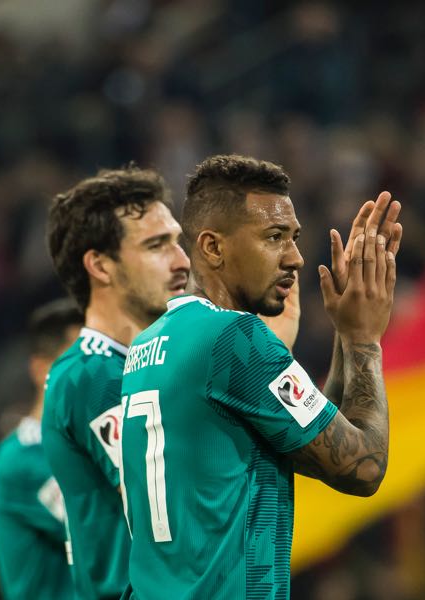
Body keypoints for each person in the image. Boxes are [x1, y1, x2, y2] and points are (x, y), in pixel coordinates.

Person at [119, 154, 402, 599]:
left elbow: (309, 443)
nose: (295, 258)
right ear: (213, 247)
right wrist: (365, 340)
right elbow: (362, 466)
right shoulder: (234, 336)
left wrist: (344, 334)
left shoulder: (149, 343)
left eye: (294, 238)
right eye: (274, 237)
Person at [42, 165, 300, 599]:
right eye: (156, 245)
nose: (182, 261)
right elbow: (184, 504)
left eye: (178, 241)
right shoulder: (92, 376)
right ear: (100, 265)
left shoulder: (145, 364)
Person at [0, 298, 83, 600]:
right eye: (78, 360)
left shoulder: (83, 441)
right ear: (42, 370)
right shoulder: (20, 460)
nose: (96, 372)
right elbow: (105, 524)